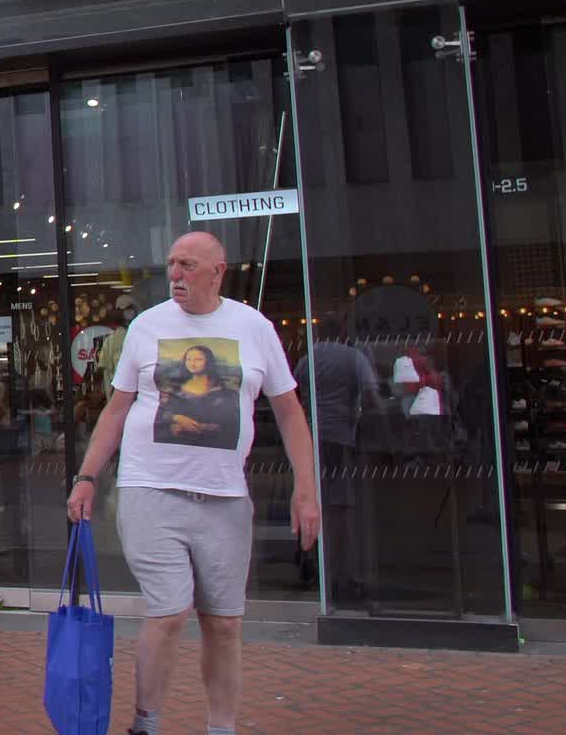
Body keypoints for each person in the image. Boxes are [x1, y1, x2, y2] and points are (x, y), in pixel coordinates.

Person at [67, 232, 320, 735]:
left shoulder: (254, 327)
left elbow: (289, 413)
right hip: (151, 492)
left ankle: (221, 728)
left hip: (225, 500)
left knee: (224, 623)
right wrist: (87, 475)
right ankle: (146, 722)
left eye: (187, 265)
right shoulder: (146, 326)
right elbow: (117, 411)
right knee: (169, 611)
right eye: (171, 264)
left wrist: (306, 489)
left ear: (217, 270)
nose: (176, 275)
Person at [296, 311, 383, 604]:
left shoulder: (309, 358)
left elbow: (294, 394)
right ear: (343, 329)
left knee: (311, 500)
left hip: (311, 437)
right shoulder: (353, 357)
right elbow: (372, 396)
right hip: (340, 438)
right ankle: (340, 573)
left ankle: (310, 566)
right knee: (341, 508)